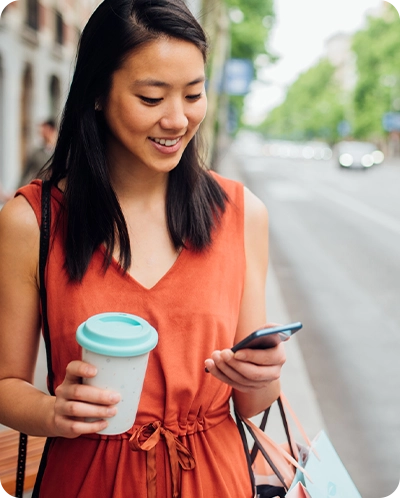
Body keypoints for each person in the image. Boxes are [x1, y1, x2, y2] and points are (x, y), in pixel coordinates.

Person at [0, 1, 286, 496]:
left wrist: (261, 375)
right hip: (87, 478)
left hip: (216, 479)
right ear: (96, 94)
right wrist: (54, 411)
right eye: (151, 98)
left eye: (193, 94)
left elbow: (251, 404)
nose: (177, 119)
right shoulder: (32, 221)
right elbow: (5, 383)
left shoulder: (243, 214)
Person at [18, 119, 58, 187]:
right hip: (40, 190)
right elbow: (25, 174)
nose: (41, 133)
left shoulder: (62, 152)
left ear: (52, 130)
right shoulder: (36, 154)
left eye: (44, 130)